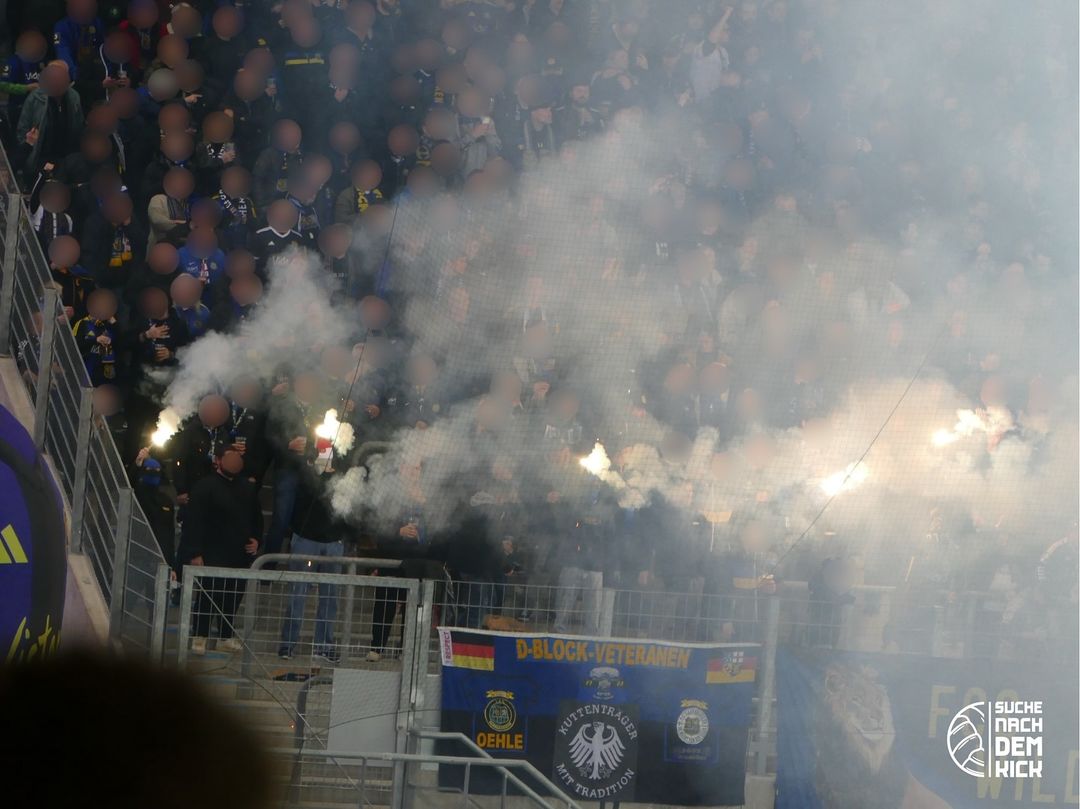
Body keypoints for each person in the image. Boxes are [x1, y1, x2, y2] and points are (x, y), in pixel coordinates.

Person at [177, 446, 262, 654]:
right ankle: (200, 636)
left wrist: (256, 540)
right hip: (211, 552)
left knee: (233, 596)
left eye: (238, 458)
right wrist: (195, 553)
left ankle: (225, 635)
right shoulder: (204, 487)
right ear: (218, 460)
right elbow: (193, 521)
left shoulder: (248, 488)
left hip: (238, 553)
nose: (235, 462)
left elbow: (256, 518)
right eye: (230, 457)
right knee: (207, 596)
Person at [277, 465, 348, 661]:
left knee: (330, 597)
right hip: (305, 537)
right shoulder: (303, 471)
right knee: (297, 593)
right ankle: (288, 644)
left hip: (334, 541)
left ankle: (324, 646)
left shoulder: (346, 472)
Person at [17, 62, 84, 182]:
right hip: (40, 157)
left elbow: (79, 127)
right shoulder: (35, 98)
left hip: (66, 157)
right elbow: (23, 129)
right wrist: (26, 157)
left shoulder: (74, 97)